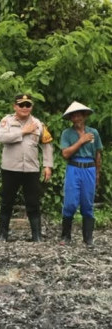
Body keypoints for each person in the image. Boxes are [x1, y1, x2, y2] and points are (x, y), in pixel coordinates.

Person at [0, 94, 54, 242]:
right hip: (10, 168)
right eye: (21, 105)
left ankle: (37, 235)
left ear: (31, 107)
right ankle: (3, 234)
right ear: (14, 106)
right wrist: (23, 131)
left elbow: (47, 145)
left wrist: (48, 165)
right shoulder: (6, 121)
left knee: (33, 202)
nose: (24, 108)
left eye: (27, 105)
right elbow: (2, 138)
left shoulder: (38, 123)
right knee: (7, 201)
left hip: (31, 169)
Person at [60, 101, 102, 246]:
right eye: (74, 116)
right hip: (74, 167)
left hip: (90, 168)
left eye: (79, 115)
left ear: (84, 116)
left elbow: (98, 155)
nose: (77, 118)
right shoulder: (67, 133)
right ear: (71, 118)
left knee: (87, 203)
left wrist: (97, 174)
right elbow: (65, 153)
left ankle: (88, 238)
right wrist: (81, 141)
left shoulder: (93, 132)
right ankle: (65, 236)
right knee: (70, 203)